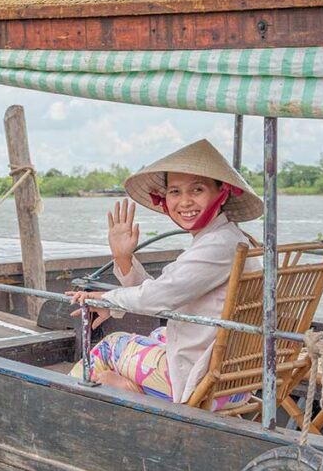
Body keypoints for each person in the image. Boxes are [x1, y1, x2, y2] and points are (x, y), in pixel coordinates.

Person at [68, 139, 264, 410]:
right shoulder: (232, 239)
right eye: (175, 191)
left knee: (109, 345)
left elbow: (156, 298)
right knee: (160, 332)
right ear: (166, 199)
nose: (185, 202)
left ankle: (69, 406)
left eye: (197, 189)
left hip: (202, 382)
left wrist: (104, 299)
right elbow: (163, 293)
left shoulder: (218, 245)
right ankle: (133, 391)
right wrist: (123, 258)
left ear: (222, 193)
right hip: (233, 379)